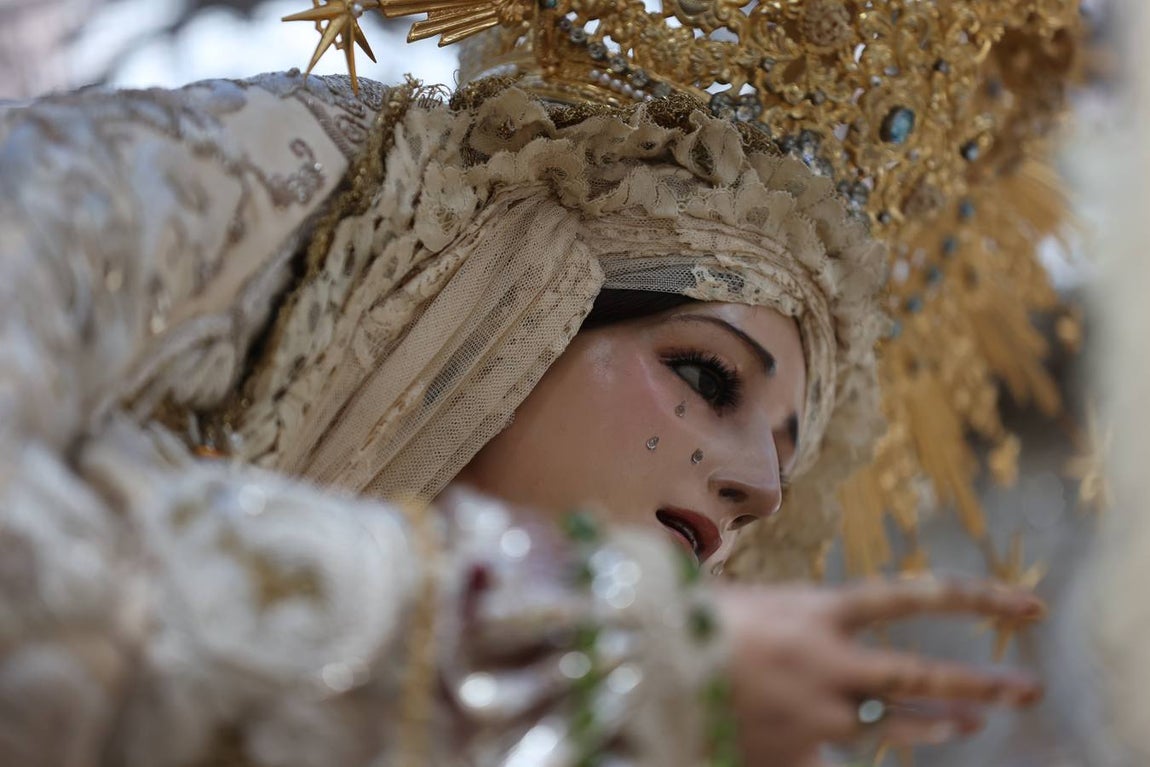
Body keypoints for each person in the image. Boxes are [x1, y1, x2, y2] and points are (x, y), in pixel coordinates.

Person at [0, 1, 1080, 764]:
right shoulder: (233, 202)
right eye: (704, 376)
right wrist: (568, 657)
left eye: (788, 451)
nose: (761, 487)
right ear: (515, 313)